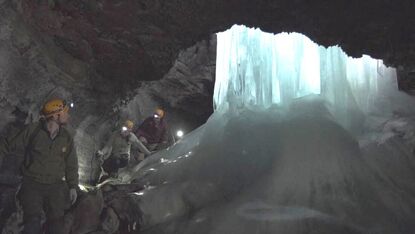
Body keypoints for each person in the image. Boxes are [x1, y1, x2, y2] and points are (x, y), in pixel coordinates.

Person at [0, 98, 79, 234]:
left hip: (55, 186)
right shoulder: (33, 130)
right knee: (32, 224)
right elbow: (7, 144)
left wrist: (73, 186)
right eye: (65, 112)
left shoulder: (66, 137)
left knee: (56, 227)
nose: (68, 115)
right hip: (32, 184)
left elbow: (71, 164)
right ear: (55, 115)